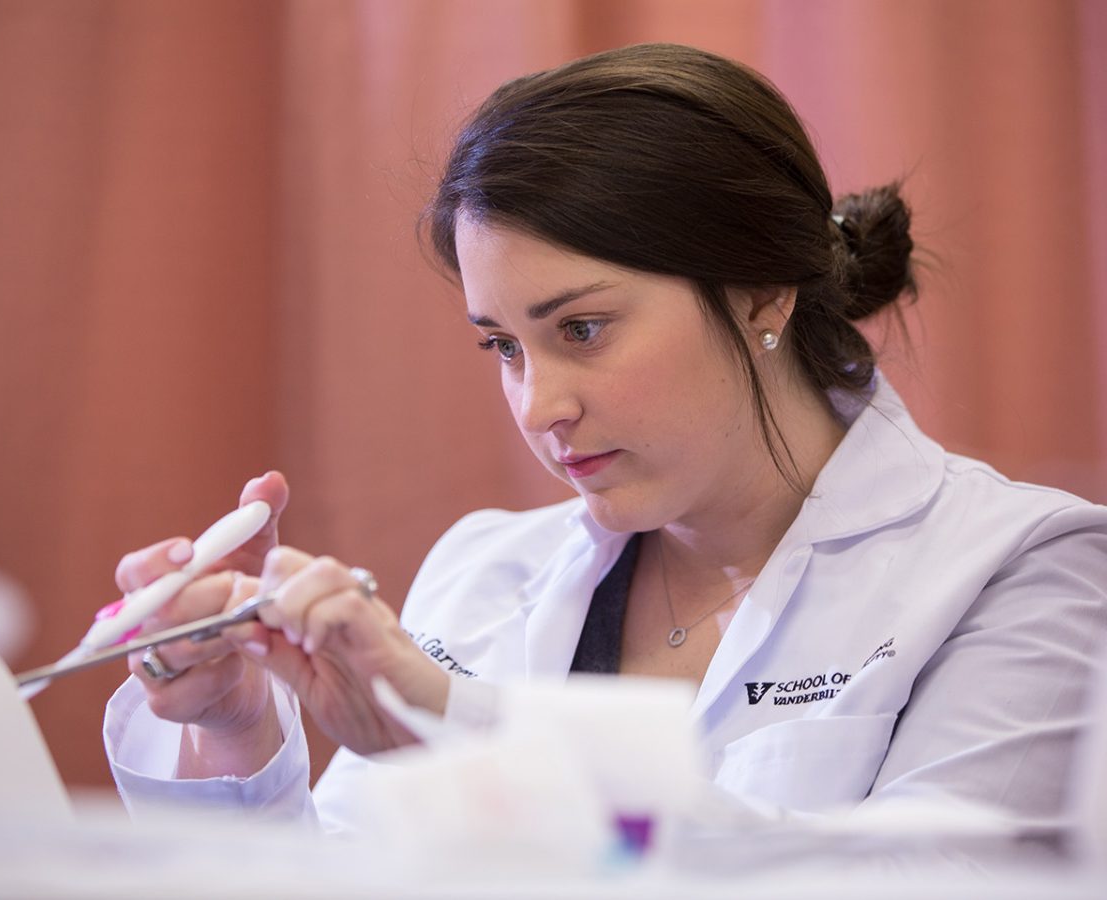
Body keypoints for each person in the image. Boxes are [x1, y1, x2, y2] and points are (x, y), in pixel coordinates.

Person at [104, 43, 1107, 836]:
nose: (539, 407)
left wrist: (467, 730)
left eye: (581, 329)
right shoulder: (486, 570)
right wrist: (233, 731)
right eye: (504, 346)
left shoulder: (1024, 569)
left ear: (763, 291)